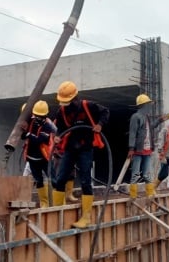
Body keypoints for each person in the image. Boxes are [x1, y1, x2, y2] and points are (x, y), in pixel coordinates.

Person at [51, 81, 109, 228]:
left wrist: (99, 125)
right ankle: (57, 211)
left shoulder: (88, 106)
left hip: (85, 147)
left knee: (85, 181)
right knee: (60, 178)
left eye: (68, 101)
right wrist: (58, 136)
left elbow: (105, 112)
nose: (65, 104)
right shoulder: (62, 111)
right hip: (71, 147)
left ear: (75, 98)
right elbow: (61, 128)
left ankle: (86, 217)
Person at [127, 94, 168, 199]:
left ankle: (150, 193)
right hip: (138, 150)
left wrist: (160, 120)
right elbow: (132, 133)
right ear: (144, 105)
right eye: (148, 104)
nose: (150, 106)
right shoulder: (135, 117)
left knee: (147, 174)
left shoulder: (146, 117)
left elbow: (151, 127)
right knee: (135, 174)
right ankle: (133, 195)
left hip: (147, 149)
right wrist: (131, 148)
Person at [20, 100, 57, 208]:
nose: (38, 118)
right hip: (32, 158)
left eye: (41, 116)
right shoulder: (31, 121)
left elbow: (39, 140)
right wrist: (24, 133)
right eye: (36, 116)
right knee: (38, 180)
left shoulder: (48, 126)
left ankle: (58, 202)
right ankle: (44, 203)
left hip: (44, 158)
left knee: (54, 180)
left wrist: (27, 134)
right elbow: (23, 136)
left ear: (45, 115)